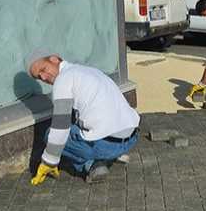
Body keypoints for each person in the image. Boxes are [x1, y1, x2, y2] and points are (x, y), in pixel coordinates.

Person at [25, 50, 140, 184]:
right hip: (131, 138)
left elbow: (60, 128)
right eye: (39, 77)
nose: (44, 77)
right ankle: (111, 156)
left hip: (107, 146)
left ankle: (91, 165)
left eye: (43, 69)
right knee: (78, 120)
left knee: (49, 133)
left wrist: (49, 161)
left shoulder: (63, 79)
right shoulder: (89, 71)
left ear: (55, 59)